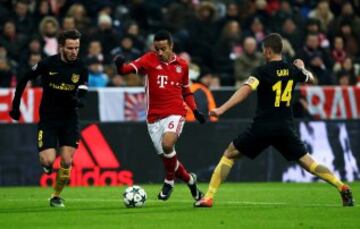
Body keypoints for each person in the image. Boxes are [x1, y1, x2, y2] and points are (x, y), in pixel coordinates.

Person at [194, 33, 354, 207]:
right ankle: (341, 186)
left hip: (263, 126)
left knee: (229, 154)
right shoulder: (292, 70)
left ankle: (209, 197)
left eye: (264, 51)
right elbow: (312, 79)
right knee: (308, 162)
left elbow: (246, 90)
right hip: (285, 127)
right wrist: (302, 68)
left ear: (269, 51)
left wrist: (222, 109)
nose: (263, 54)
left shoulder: (262, 71)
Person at [114, 30, 205, 201]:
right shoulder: (148, 59)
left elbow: (186, 90)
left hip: (175, 112)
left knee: (168, 144)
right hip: (153, 118)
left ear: (171, 46)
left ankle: (168, 181)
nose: (160, 53)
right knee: (169, 159)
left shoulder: (182, 65)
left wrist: (195, 110)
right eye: (157, 49)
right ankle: (190, 180)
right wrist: (120, 66)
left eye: (163, 49)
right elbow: (127, 69)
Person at [9, 29, 88, 208]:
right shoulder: (48, 64)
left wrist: (81, 100)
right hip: (49, 119)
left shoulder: (81, 66)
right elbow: (23, 79)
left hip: (69, 119)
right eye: (70, 48)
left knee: (67, 160)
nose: (74, 51)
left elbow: (83, 87)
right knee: (48, 161)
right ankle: (47, 166)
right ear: (61, 47)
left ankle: (56, 196)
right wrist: (15, 106)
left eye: (77, 48)